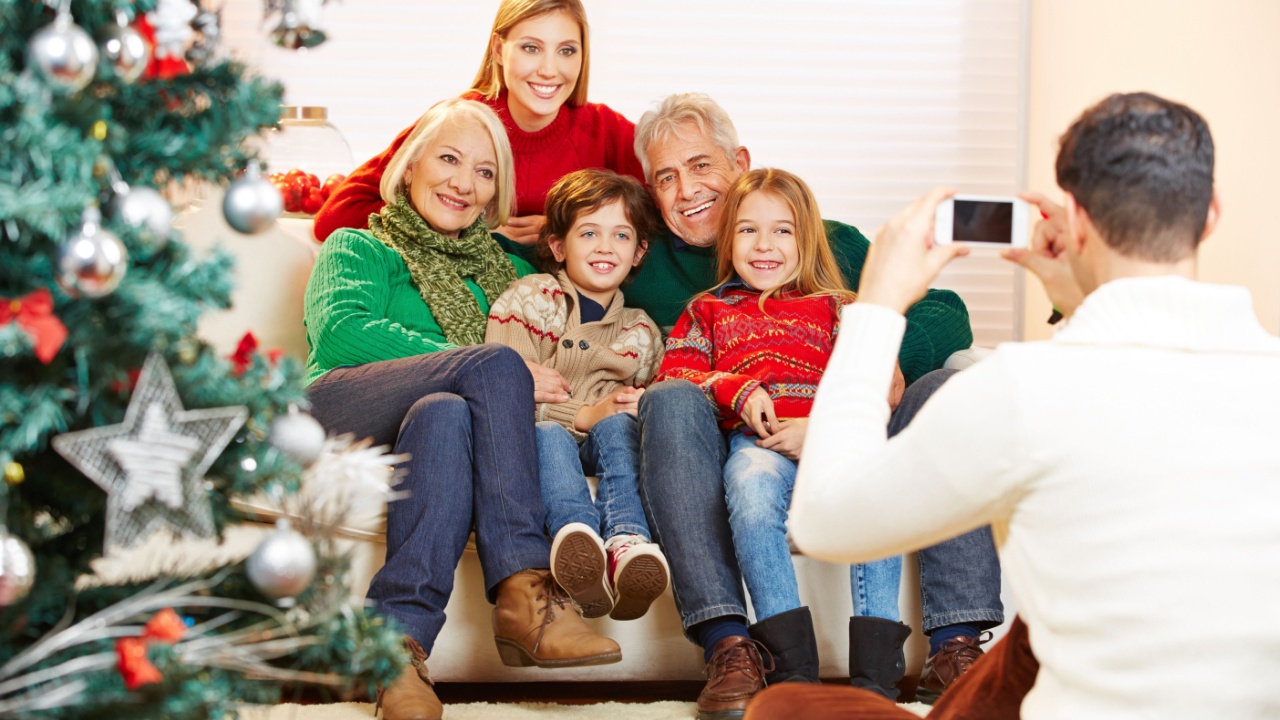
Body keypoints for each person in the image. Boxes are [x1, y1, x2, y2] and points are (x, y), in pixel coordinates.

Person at [749, 92, 1280, 719]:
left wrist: (878, 306)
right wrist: (1077, 302)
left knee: (783, 709)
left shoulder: (1022, 388)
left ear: (1074, 220)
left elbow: (824, 522)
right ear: (1210, 214)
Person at [629, 93, 1004, 719]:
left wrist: (876, 351)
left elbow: (947, 313)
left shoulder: (830, 255)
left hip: (845, 427)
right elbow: (577, 260)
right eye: (665, 178)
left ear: (740, 163)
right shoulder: (644, 261)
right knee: (691, 421)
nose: (686, 189)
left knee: (945, 393)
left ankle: (952, 645)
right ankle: (745, 650)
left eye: (700, 166)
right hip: (752, 440)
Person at [303, 98, 620, 720]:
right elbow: (341, 333)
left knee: (446, 412)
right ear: (410, 163)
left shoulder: (503, 273)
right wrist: (485, 364)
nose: (462, 182)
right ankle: (526, 590)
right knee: (493, 365)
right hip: (338, 401)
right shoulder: (358, 246)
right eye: (448, 158)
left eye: (484, 171)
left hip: (431, 425)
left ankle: (397, 652)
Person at [655, 167, 913, 699]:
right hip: (761, 446)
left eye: (783, 230)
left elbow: (881, 387)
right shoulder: (707, 310)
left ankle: (877, 676)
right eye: (748, 230)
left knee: (880, 494)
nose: (764, 245)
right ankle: (791, 670)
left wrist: (822, 429)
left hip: (838, 442)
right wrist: (736, 389)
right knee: (749, 485)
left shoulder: (841, 309)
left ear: (807, 239)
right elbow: (675, 377)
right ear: (729, 240)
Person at [485, 168, 671, 622]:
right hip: (537, 442)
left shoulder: (642, 331)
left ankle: (627, 542)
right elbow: (500, 395)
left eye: (621, 236)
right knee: (551, 435)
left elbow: (649, 402)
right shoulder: (527, 300)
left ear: (639, 251)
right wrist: (584, 413)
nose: (605, 247)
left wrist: (631, 407)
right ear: (557, 246)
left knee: (618, 430)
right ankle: (578, 537)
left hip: (606, 444)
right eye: (588, 233)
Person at [312, 0, 645, 252]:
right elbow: (337, 216)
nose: (549, 69)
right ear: (499, 50)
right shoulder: (461, 121)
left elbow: (670, 218)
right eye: (531, 48)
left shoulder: (605, 130)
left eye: (566, 51)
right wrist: (466, 227)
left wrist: (573, 228)